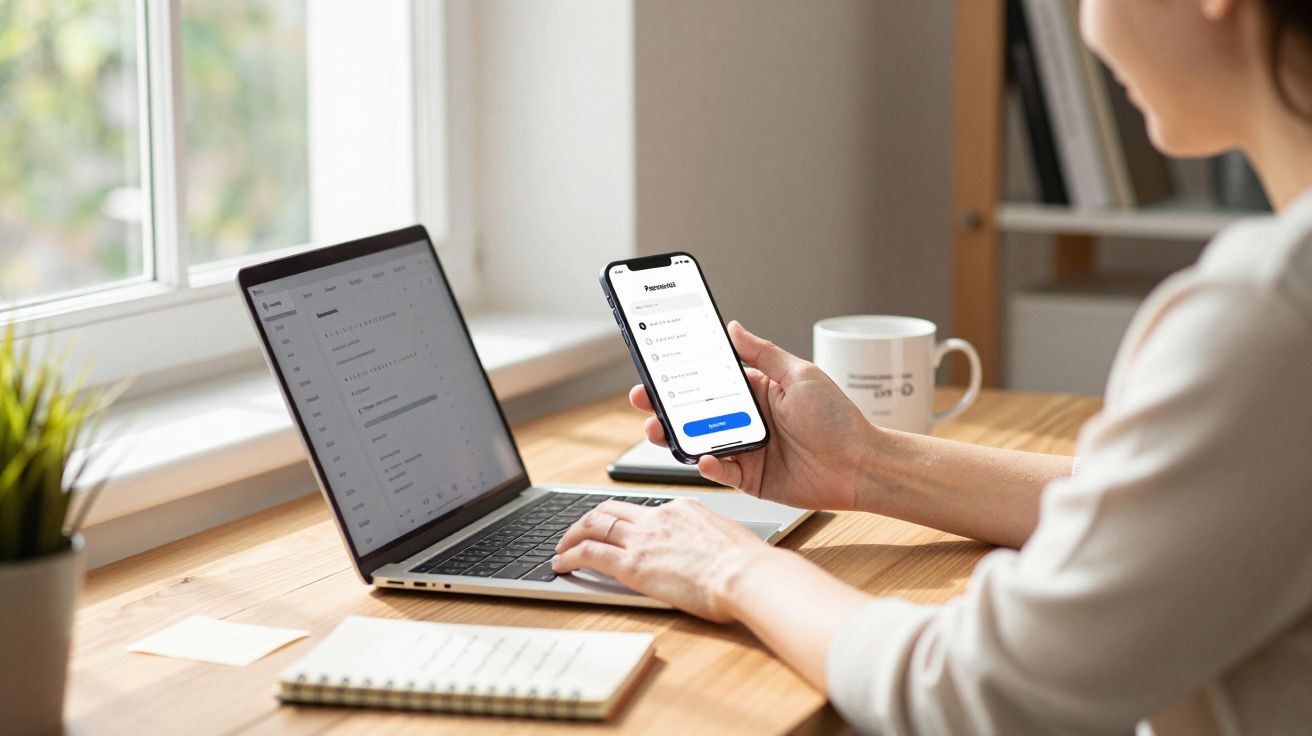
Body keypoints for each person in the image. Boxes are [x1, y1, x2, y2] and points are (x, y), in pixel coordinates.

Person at [552, 0, 1312, 733]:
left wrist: (729, 569)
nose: (1086, 23)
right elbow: (1168, 518)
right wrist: (867, 463)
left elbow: (987, 692)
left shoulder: (1268, 312)